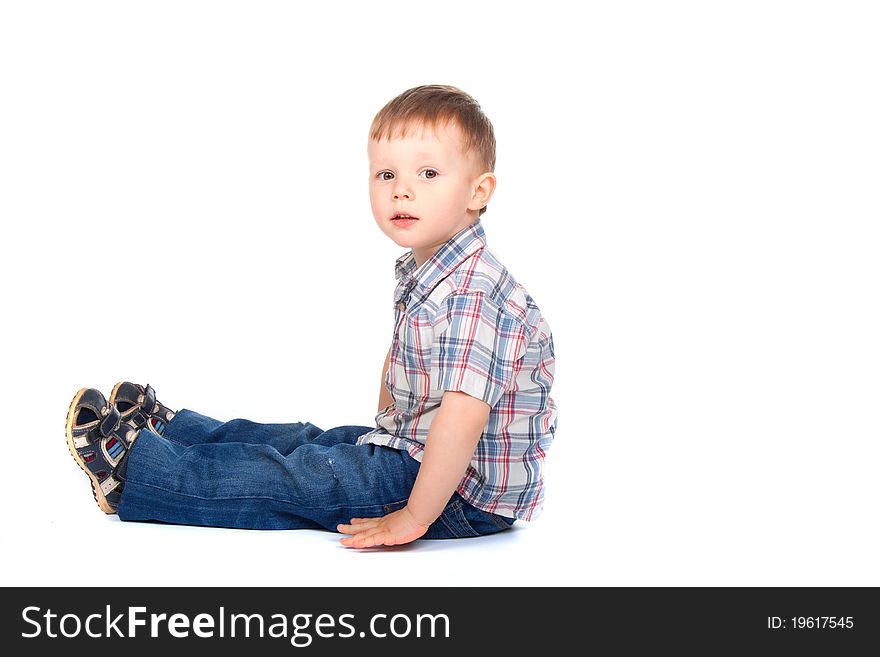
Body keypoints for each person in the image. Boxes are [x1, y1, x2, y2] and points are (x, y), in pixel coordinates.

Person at [65, 84, 558, 548]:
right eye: (387, 174)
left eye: (428, 174)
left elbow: (462, 421)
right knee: (308, 442)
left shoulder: (476, 293)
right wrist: (386, 424)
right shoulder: (432, 268)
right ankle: (172, 432)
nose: (401, 190)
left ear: (478, 192)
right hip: (415, 449)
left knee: (300, 476)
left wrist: (414, 516)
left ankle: (136, 474)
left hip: (459, 497)